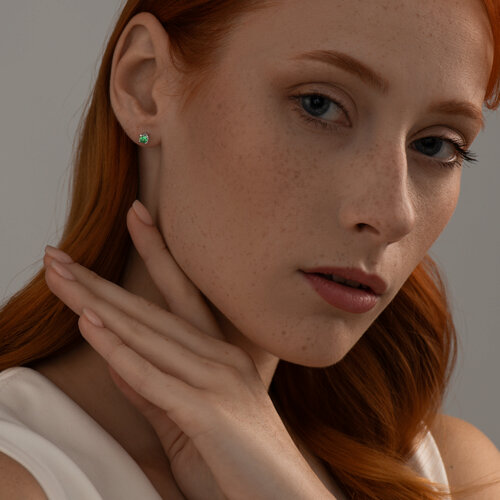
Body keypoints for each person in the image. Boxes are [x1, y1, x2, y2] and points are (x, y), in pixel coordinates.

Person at [1, 0, 500, 498]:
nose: (393, 214)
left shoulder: (453, 476)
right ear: (144, 84)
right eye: (319, 105)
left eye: (437, 145)